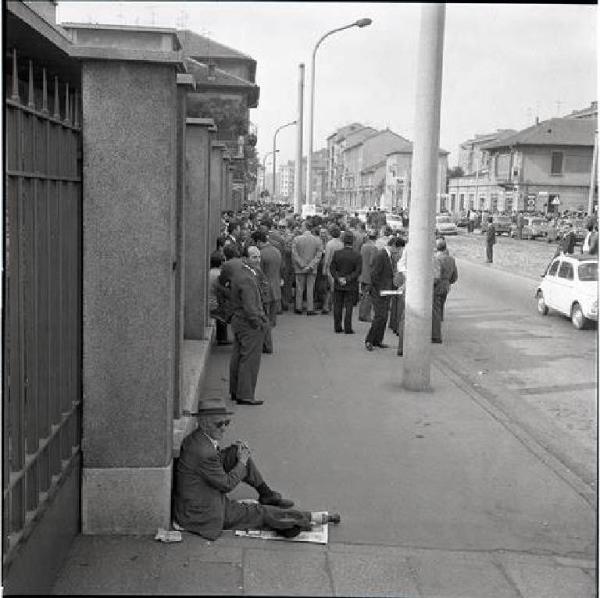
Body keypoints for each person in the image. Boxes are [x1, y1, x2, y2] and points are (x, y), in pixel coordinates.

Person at [173, 398, 326, 541]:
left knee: (235, 452)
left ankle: (267, 494)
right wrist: (243, 461)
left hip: (198, 497)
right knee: (257, 512)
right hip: (201, 514)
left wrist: (239, 457)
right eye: (219, 424)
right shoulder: (203, 451)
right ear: (203, 423)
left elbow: (212, 464)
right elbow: (226, 485)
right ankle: (301, 519)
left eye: (227, 422)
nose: (224, 428)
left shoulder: (199, 438)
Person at [225, 250, 269, 405]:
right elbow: (250, 306)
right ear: (246, 259)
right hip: (248, 323)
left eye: (258, 256)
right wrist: (258, 322)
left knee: (238, 356)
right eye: (253, 257)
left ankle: (236, 391)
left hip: (239, 320)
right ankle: (246, 394)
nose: (257, 260)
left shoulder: (241, 274)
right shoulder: (248, 278)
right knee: (249, 359)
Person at [365, 238, 396, 351]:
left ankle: (378, 340)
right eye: (398, 248)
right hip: (379, 292)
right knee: (379, 316)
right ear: (393, 246)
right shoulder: (381, 256)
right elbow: (374, 274)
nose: (399, 251)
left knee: (384, 317)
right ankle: (369, 340)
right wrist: (380, 289)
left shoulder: (389, 256)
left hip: (386, 292)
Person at [254, 230, 282, 349]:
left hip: (265, 290)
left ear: (259, 241)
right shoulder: (276, 251)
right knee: (271, 320)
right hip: (276, 288)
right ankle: (267, 343)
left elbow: (259, 274)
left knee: (264, 318)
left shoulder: (261, 254)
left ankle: (267, 344)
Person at [329, 231, 362, 334]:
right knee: (349, 306)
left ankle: (337, 327)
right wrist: (347, 279)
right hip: (351, 284)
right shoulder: (357, 255)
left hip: (339, 283)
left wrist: (338, 278)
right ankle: (348, 328)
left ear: (343, 241)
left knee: (337, 305)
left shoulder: (337, 253)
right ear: (353, 242)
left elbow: (332, 268)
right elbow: (357, 271)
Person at [291, 222, 323, 315]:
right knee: (310, 288)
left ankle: (298, 307)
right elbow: (318, 255)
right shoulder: (317, 240)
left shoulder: (296, 239)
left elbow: (294, 253)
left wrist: (301, 264)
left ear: (304, 227)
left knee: (299, 288)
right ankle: (310, 308)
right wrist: (310, 266)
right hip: (311, 269)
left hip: (299, 268)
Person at [431, 237, 458, 344]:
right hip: (446, 286)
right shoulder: (451, 259)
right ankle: (437, 329)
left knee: (435, 311)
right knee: (440, 309)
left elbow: (435, 276)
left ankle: (436, 335)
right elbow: (455, 276)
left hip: (437, 286)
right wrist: (448, 282)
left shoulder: (436, 259)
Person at [208, 251, 231, 346]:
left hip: (209, 302)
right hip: (215, 305)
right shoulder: (219, 274)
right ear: (221, 262)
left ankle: (222, 337)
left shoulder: (209, 272)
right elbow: (223, 292)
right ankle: (222, 338)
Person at [322, 226, 344, 315]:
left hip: (331, 268)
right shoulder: (342, 244)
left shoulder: (329, 244)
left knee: (331, 288)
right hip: (340, 269)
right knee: (336, 288)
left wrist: (324, 269)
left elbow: (327, 258)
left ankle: (327, 306)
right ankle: (331, 306)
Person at [358, 229, 378, 322]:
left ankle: (361, 314)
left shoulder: (363, 246)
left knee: (363, 296)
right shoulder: (373, 247)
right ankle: (366, 315)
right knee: (368, 296)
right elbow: (372, 262)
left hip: (362, 273)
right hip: (369, 275)